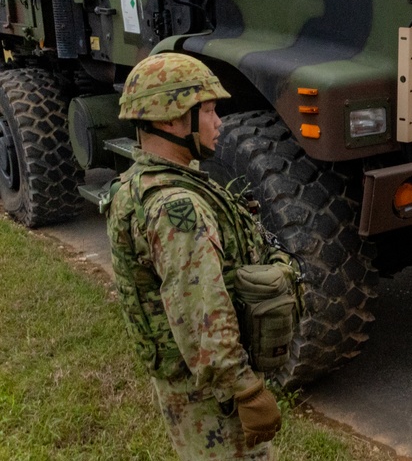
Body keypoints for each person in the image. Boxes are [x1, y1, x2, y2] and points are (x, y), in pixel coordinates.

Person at [105, 52, 290, 459]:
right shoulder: (175, 208)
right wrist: (244, 389)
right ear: (172, 119)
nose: (219, 121)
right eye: (207, 110)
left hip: (193, 385)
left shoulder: (140, 184)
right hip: (210, 397)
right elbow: (201, 313)